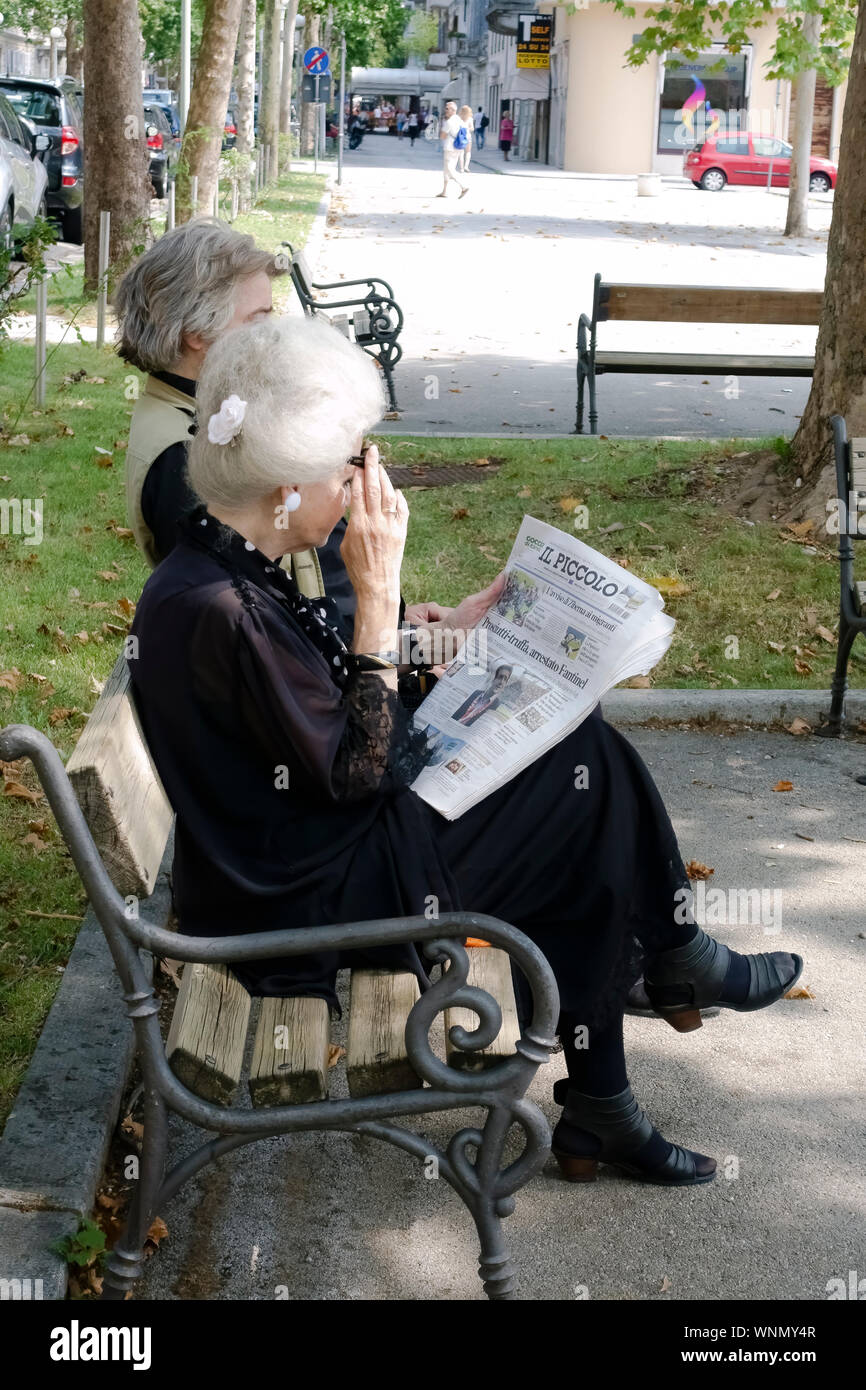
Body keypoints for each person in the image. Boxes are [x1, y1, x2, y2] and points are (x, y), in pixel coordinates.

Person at [129, 314, 804, 1189]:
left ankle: (632, 1046)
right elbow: (354, 768)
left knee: (580, 772)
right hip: (304, 901)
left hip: (317, 849)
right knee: (584, 788)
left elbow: (319, 698)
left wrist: (440, 634)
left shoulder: (224, 564)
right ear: (289, 483)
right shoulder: (215, 606)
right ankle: (650, 1005)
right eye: (353, 462)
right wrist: (378, 597)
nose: (370, 481)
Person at [437, 100, 469, 199]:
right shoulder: (460, 121)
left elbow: (442, 136)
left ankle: (463, 186)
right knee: (446, 170)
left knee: (450, 169)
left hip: (449, 147)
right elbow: (467, 135)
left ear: (452, 110)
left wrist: (441, 131)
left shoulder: (449, 121)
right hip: (458, 148)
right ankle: (444, 191)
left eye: (447, 109)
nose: (445, 110)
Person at [457, 104, 475, 174]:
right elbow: (472, 128)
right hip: (468, 137)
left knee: (461, 153)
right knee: (468, 152)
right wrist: (468, 129)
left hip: (460, 137)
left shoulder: (458, 118)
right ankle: (466, 166)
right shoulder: (470, 119)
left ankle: (461, 168)